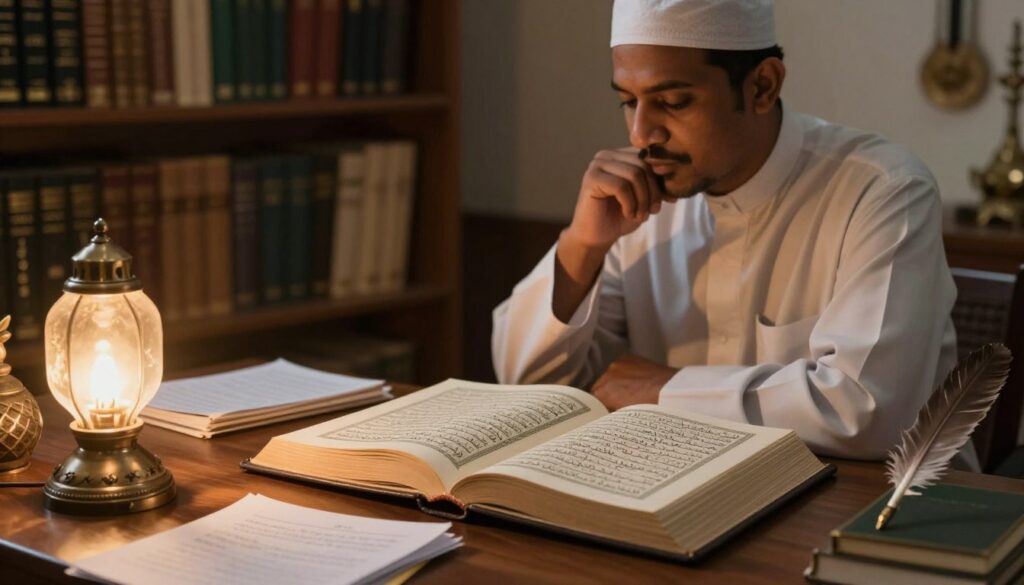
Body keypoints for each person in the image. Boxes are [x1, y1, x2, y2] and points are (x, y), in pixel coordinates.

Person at [491, 0, 961, 462]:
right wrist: (583, 243)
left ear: (762, 86)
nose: (640, 134)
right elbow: (523, 384)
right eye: (628, 101)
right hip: (675, 491)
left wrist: (663, 389)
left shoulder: (882, 191)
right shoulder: (637, 200)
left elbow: (867, 412)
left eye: (673, 102)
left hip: (877, 512)